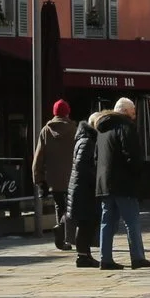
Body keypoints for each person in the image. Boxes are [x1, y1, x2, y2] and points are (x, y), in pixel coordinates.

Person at [92, 97, 150, 270]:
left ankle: (105, 258)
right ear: (126, 112)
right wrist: (138, 172)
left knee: (107, 221)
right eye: (133, 112)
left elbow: (96, 157)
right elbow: (132, 154)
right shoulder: (125, 126)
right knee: (132, 220)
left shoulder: (102, 129)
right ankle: (137, 257)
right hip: (123, 183)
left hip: (104, 183)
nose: (134, 116)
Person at [30, 99, 77, 251]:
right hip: (72, 177)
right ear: (68, 112)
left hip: (54, 178)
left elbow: (38, 157)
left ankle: (61, 236)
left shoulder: (46, 130)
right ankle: (66, 234)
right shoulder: (75, 129)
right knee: (72, 208)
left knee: (60, 206)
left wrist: (39, 179)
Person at [64, 107, 101, 268]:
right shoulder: (87, 141)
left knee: (86, 222)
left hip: (81, 187)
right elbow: (82, 166)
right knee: (85, 222)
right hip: (83, 188)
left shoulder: (84, 138)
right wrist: (96, 177)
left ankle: (84, 255)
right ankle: (83, 256)